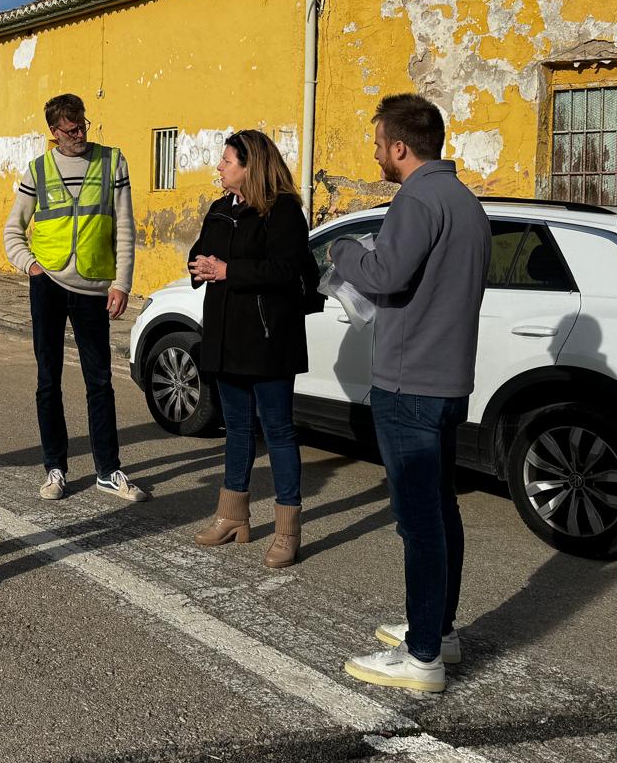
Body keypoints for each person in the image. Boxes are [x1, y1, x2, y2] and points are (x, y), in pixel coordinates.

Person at [330, 93, 489, 694]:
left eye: (378, 144)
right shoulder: (465, 202)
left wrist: (347, 251)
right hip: (447, 380)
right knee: (441, 512)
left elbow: (382, 275)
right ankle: (439, 628)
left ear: (400, 146)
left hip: (408, 382)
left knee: (418, 522)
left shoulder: (416, 199)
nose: (374, 154)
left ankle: (423, 657)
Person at [3, 93, 148, 503]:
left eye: (83, 123)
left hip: (92, 287)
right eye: (71, 128)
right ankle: (55, 468)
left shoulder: (112, 162)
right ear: (54, 132)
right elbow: (13, 229)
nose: (80, 133)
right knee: (48, 380)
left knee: (99, 381)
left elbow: (124, 226)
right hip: (46, 284)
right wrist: (30, 266)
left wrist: (121, 283)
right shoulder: (38, 171)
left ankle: (108, 470)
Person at [187, 130, 321, 567]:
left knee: (278, 432)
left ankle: (287, 531)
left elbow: (286, 270)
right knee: (237, 429)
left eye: (227, 161)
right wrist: (201, 265)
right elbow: (200, 252)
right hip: (225, 336)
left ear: (250, 166)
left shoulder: (282, 211)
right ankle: (233, 517)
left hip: (268, 339)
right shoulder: (220, 209)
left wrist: (228, 270)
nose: (220, 168)